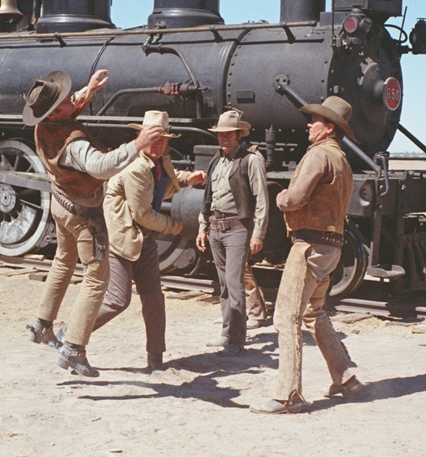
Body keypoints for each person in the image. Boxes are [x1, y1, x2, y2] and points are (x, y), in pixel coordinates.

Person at [24, 69, 164, 377]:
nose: (70, 101)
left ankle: (41, 324)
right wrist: (137, 144)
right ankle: (73, 349)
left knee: (63, 261)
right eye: (63, 101)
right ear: (53, 113)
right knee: (96, 280)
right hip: (83, 215)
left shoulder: (43, 127)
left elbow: (69, 105)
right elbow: (99, 167)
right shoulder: (73, 144)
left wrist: (88, 90)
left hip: (61, 206)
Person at [66, 110, 207, 375]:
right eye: (154, 138)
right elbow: (142, 213)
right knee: (118, 300)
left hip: (144, 238)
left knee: (154, 298)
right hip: (122, 239)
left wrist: (188, 178)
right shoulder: (135, 167)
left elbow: (167, 176)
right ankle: (72, 335)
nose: (159, 144)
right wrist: (172, 226)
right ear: (141, 136)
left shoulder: (157, 160)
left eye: (163, 139)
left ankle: (156, 358)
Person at [251, 96, 362, 415]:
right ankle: (346, 378)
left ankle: (289, 395)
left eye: (315, 121)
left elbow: (297, 197)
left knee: (286, 316)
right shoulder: (342, 160)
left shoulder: (319, 155)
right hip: (331, 245)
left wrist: (281, 198)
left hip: (308, 246)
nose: (309, 125)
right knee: (315, 313)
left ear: (329, 128)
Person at [196, 109, 269, 357]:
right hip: (216, 228)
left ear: (239, 135)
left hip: (237, 229)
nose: (224, 138)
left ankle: (237, 341)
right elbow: (208, 197)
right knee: (225, 285)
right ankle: (227, 332)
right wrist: (202, 226)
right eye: (220, 134)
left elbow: (261, 199)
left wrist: (258, 233)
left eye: (228, 134)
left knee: (235, 284)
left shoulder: (251, 160)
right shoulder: (217, 159)